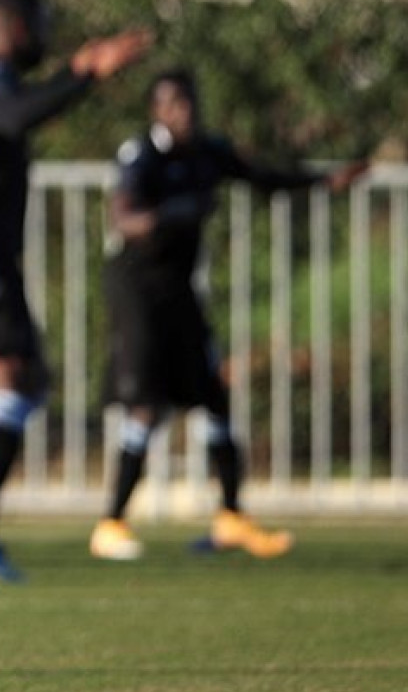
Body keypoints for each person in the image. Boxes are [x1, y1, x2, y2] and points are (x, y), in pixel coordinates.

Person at [91, 69, 368, 561]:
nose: (185, 113)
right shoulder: (143, 156)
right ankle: (110, 523)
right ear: (157, 110)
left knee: (213, 397)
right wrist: (176, 211)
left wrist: (325, 180)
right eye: (175, 105)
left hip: (178, 290)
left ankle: (231, 518)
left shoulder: (207, 151)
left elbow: (265, 177)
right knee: (147, 407)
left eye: (190, 103)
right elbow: (125, 217)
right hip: (136, 290)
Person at [0, 0, 150, 582]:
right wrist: (82, 71)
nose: (46, 36)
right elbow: (14, 116)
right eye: (41, 25)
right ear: (16, 28)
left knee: (21, 380)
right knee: (15, 381)